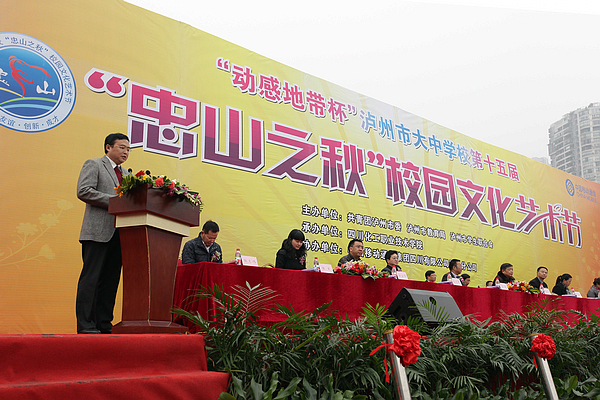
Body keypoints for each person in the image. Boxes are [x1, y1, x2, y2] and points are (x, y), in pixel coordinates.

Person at [76, 133, 131, 334]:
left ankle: (104, 324)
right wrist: (116, 201)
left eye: (128, 149)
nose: (126, 152)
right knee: (91, 279)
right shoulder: (95, 164)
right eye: (122, 147)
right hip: (97, 232)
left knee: (110, 281)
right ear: (108, 147)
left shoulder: (128, 175)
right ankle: (86, 324)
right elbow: (84, 191)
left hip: (120, 234)